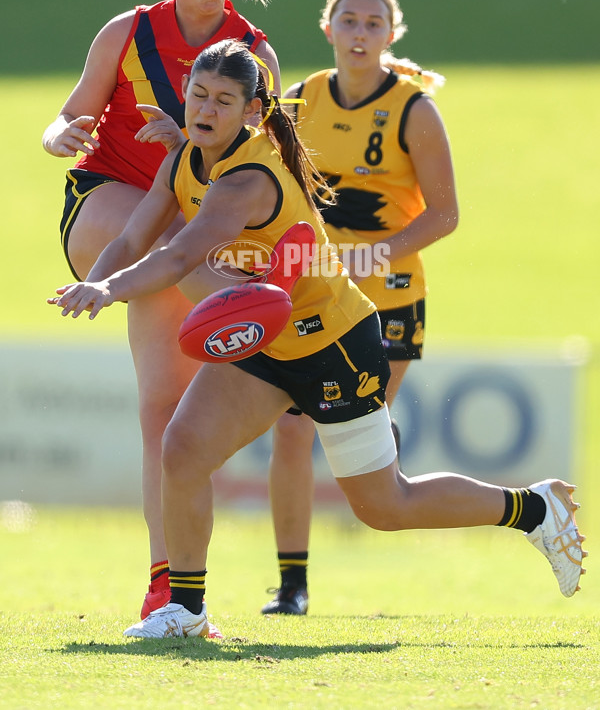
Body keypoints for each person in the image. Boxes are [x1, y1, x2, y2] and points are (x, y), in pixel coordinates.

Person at [50, 39, 585, 641]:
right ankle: (187, 610)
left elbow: (177, 256)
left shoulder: (245, 180)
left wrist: (111, 289)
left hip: (334, 341)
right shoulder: (182, 161)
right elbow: (132, 237)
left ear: (252, 111)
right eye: (198, 94)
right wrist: (94, 283)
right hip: (266, 338)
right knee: (183, 450)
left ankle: (534, 509)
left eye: (224, 100)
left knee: (385, 506)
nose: (206, 108)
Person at [41, 0, 280, 621]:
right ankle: (249, 313)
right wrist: (60, 134)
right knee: (167, 232)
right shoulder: (129, 31)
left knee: (164, 414)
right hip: (111, 211)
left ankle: (169, 584)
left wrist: (192, 140)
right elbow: (64, 118)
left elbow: (268, 169)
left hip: (185, 236)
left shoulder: (255, 56)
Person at [261, 0, 458, 615]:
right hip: (315, 296)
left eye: (374, 23)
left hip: (390, 299)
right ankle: (292, 586)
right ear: (329, 29)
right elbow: (270, 191)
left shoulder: (413, 110)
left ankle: (389, 442)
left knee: (357, 460)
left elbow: (445, 216)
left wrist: (368, 254)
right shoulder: (298, 101)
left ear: (391, 36)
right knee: (293, 434)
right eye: (349, 20)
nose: (360, 33)